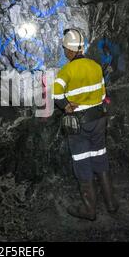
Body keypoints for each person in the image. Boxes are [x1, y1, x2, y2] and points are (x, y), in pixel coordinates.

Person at [52, 29, 119, 221]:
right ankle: (111, 203)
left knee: (82, 162)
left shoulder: (67, 71)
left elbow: (56, 95)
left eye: (65, 49)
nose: (65, 52)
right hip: (99, 120)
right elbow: (104, 95)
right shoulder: (96, 66)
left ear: (70, 50)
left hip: (79, 124)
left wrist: (66, 106)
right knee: (100, 157)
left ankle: (89, 210)